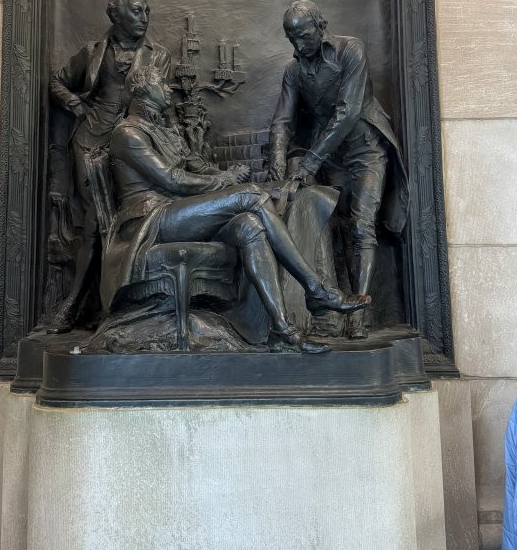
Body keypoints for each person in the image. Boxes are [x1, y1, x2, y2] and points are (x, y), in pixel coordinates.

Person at [103, 65, 366, 353]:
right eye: (161, 83)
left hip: (178, 213)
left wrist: (225, 176)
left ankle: (281, 330)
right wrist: (224, 181)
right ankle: (317, 290)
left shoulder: (164, 130)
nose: (168, 89)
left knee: (249, 226)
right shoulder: (127, 134)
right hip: (151, 220)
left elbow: (194, 167)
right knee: (251, 196)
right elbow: (172, 179)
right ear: (142, 89)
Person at [268, 0, 409, 331]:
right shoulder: (294, 71)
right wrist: (277, 157)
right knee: (339, 229)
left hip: (365, 149)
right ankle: (342, 306)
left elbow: (347, 112)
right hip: (332, 157)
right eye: (291, 38)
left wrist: (310, 162)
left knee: (362, 226)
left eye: (302, 36)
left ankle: (360, 313)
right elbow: (283, 120)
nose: (297, 46)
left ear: (320, 27)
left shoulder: (351, 52)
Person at [47, 0, 171, 332]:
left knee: (125, 222)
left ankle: (116, 304)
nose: (144, 18)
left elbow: (158, 103)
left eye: (147, 11)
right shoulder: (92, 53)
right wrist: (78, 106)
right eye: (136, 11)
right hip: (92, 144)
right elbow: (57, 83)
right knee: (95, 223)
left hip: (132, 144)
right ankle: (76, 305)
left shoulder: (158, 55)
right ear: (115, 16)